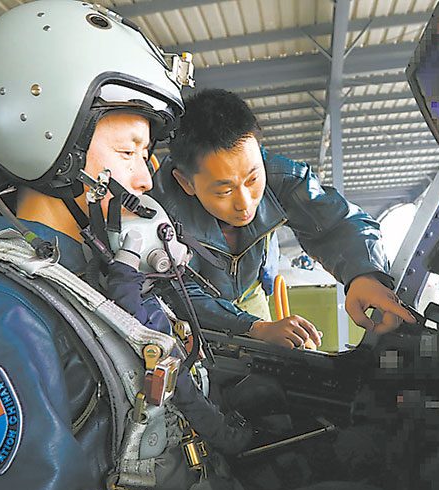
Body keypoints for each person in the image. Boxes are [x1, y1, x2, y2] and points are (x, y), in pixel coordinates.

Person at [0, 0, 439, 490]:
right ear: (47, 141)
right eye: (129, 152)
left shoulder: (92, 276)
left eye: (147, 155)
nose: (146, 180)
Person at [149, 88, 416, 349]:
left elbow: (337, 223)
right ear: (186, 183)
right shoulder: (159, 212)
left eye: (253, 179)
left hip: (250, 293)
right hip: (190, 308)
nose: (245, 203)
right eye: (225, 191)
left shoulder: (283, 177)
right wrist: (253, 327)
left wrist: (364, 274)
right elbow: (174, 291)